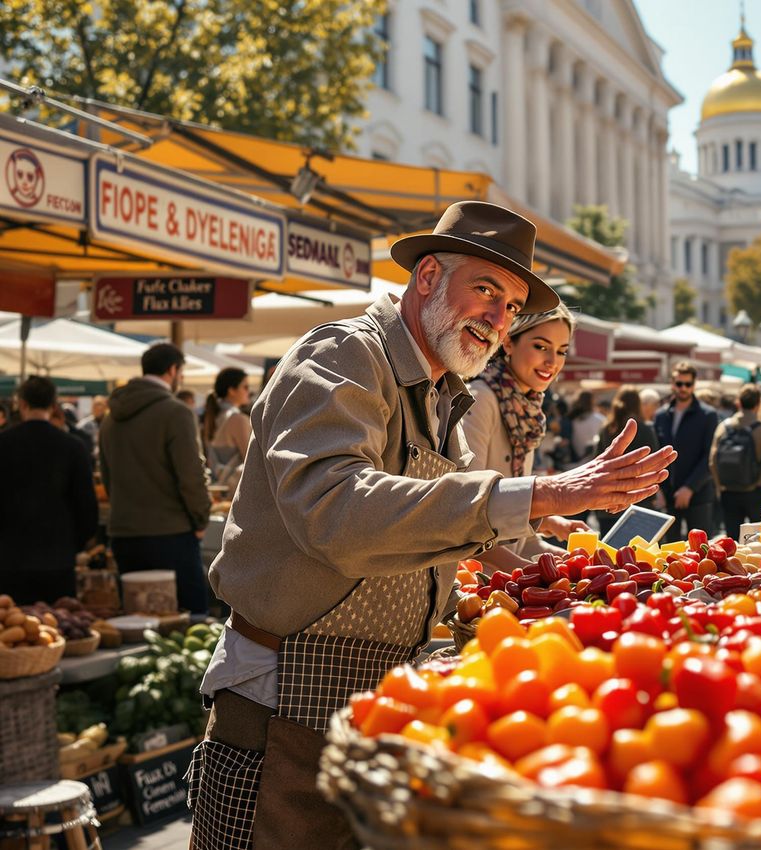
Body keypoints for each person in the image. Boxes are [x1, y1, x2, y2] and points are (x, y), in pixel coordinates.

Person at [188, 201, 674, 850]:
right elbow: (335, 513)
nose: (498, 318)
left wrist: (591, 579)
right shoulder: (344, 356)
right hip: (283, 692)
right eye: (486, 289)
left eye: (510, 306)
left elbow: (461, 525)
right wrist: (538, 492)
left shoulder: (445, 394)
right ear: (426, 279)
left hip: (375, 697)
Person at [461, 302, 588, 557]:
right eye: (540, 347)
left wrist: (570, 560)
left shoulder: (526, 407)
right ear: (508, 343)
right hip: (475, 582)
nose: (552, 362)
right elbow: (467, 514)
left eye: (562, 351)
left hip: (502, 582)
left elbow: (514, 538)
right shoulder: (481, 398)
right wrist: (536, 574)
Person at [100, 343, 212, 614]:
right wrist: (201, 518)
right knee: (191, 620)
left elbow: (106, 476)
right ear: (173, 370)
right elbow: (191, 475)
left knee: (137, 625)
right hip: (170, 533)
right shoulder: (176, 412)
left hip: (124, 532)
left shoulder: (110, 418)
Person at [0, 377, 97, 604]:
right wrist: (74, 545)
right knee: (61, 627)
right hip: (58, 558)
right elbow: (86, 507)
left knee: (14, 630)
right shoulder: (73, 447)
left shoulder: (3, 444)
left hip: (9, 559)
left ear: (21, 403)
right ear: (54, 405)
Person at [654, 362, 720, 542]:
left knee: (701, 551)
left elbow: (710, 456)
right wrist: (657, 488)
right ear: (672, 384)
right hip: (667, 495)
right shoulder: (660, 415)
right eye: (679, 383)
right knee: (668, 551)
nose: (683, 388)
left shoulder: (708, 415)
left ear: (694, 385)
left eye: (687, 384)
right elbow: (656, 453)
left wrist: (689, 488)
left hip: (698, 494)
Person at [710, 384, 761, 539]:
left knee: (732, 540)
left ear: (739, 403)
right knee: (760, 538)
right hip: (756, 491)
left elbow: (713, 460)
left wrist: (719, 486)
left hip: (729, 491)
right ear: (758, 404)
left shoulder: (724, 426)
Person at [594, 386, 659, 533]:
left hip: (607, 500)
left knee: (608, 552)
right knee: (638, 552)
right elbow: (654, 463)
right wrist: (653, 495)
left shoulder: (606, 429)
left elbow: (596, 462)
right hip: (638, 501)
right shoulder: (644, 429)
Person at [203, 368, 253, 491]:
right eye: (245, 387)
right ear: (231, 390)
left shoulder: (213, 415)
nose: (248, 391)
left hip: (218, 488)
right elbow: (252, 459)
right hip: (236, 490)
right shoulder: (237, 418)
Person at [568, 390, 605, 462]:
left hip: (576, 459)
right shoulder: (601, 419)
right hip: (595, 459)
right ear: (592, 401)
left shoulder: (572, 420)